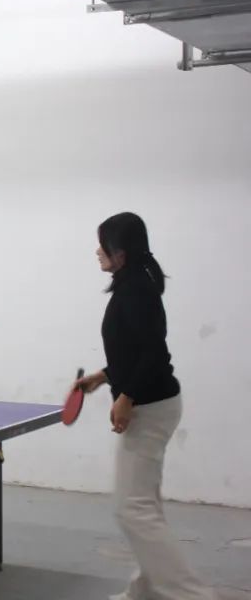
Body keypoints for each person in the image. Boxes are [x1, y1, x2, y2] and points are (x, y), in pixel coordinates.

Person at [75, 212, 215, 600]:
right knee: (144, 505)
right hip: (154, 402)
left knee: (132, 509)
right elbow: (134, 349)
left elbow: (154, 352)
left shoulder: (135, 289)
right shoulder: (134, 282)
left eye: (103, 245)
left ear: (120, 252)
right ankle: (147, 591)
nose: (97, 252)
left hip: (150, 408)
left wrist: (126, 396)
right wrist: (104, 375)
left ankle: (192, 595)